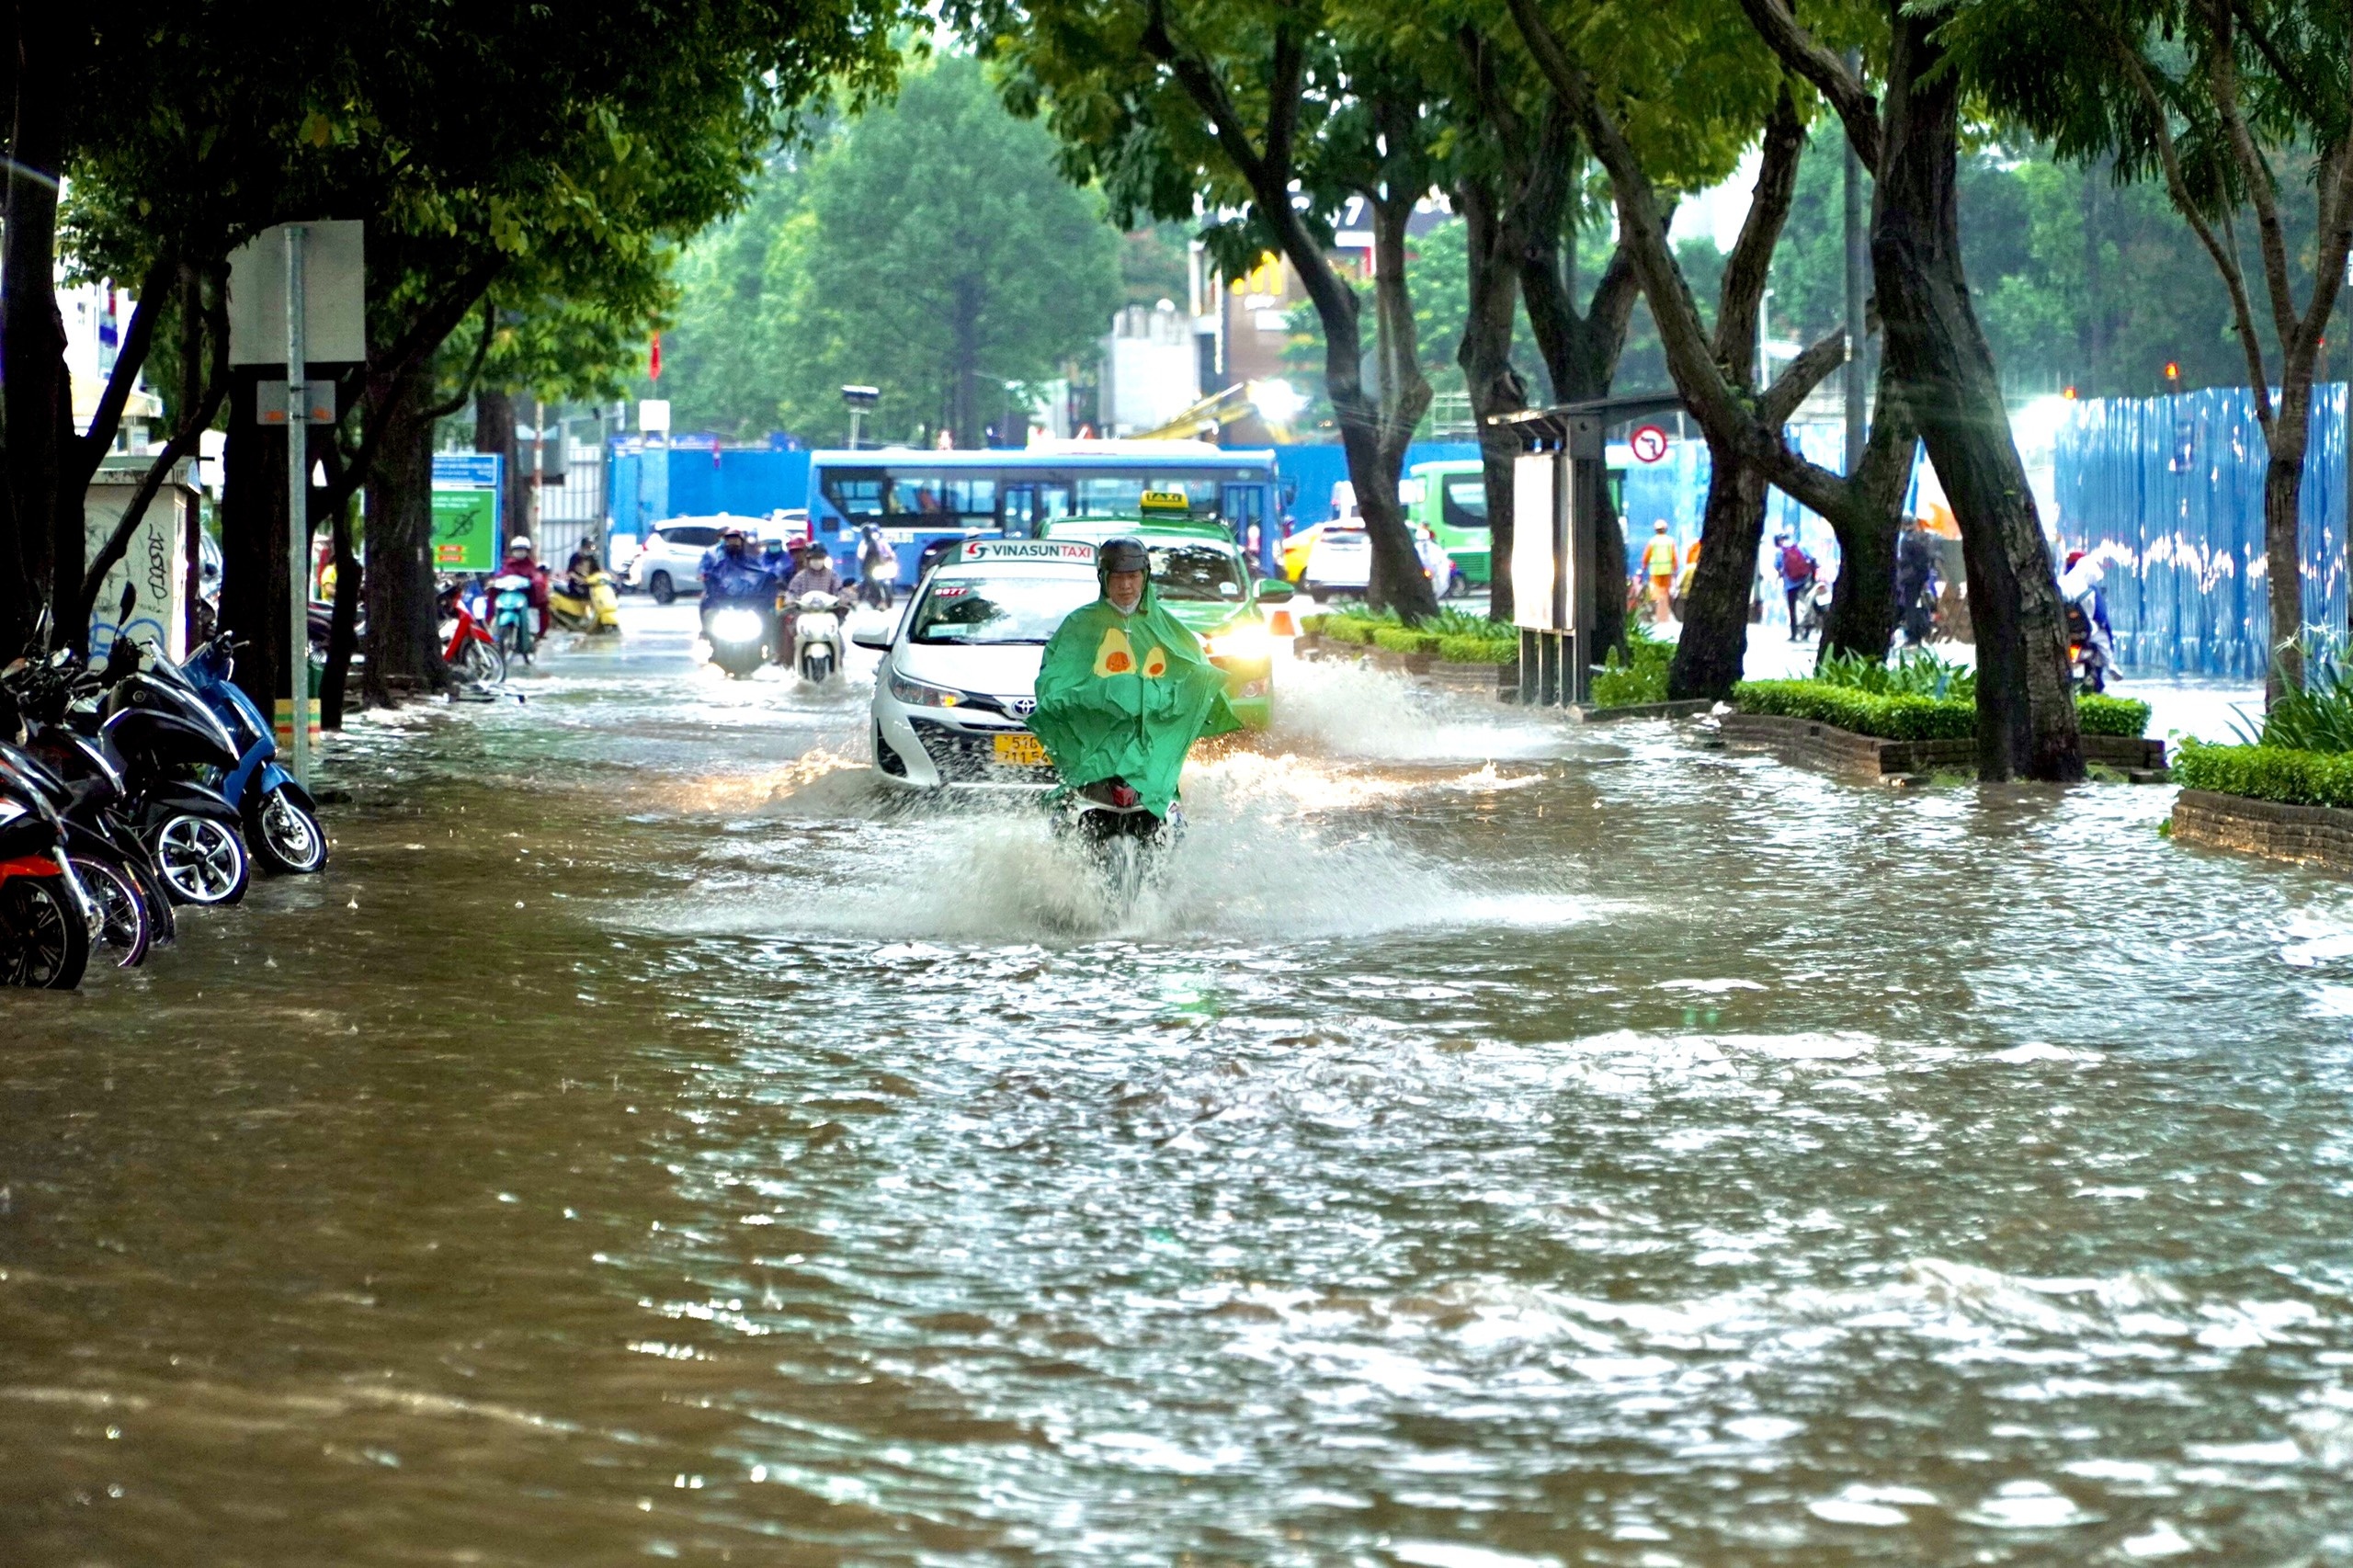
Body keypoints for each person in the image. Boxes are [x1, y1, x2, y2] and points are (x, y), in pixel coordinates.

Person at [1029, 537, 1240, 831]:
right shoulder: (1079, 626)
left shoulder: (1169, 628)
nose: (1125, 586)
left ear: (1145, 577)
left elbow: (1195, 673)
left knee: (1175, 823)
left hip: (1148, 749)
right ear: (1103, 578)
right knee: (1064, 817)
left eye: (1132, 576)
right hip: (1095, 748)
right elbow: (1054, 679)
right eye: (1117, 577)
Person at [697, 526, 781, 642]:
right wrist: (706, 576)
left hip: (748, 601)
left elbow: (762, 571)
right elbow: (705, 570)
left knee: (769, 616)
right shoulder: (716, 558)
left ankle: (769, 644)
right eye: (730, 539)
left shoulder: (750, 559)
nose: (733, 542)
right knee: (708, 612)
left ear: (741, 542)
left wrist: (771, 576)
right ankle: (708, 636)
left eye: (736, 539)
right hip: (722, 599)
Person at [2059, 548, 2115, 691]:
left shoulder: (2060, 586)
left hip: (2065, 636)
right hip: (2086, 637)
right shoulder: (2090, 589)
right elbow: (2102, 617)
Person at [1896, 515, 1940, 645]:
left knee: (1911, 607)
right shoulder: (1922, 537)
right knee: (1919, 606)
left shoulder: (1906, 540)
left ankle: (1913, 635)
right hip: (1922, 577)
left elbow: (1905, 560)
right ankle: (1922, 630)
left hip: (1910, 578)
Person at [1775, 531, 1817, 642]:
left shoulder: (1780, 552)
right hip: (1805, 581)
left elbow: (1777, 566)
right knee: (1808, 605)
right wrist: (1812, 577)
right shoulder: (1800, 547)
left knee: (1792, 609)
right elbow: (1813, 560)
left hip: (1790, 585)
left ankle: (1794, 634)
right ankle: (1807, 629)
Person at [1641, 522, 1677, 626]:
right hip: (1667, 570)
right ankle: (1664, 616)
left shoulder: (1652, 541)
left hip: (1656, 570)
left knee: (1656, 592)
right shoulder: (1670, 541)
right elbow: (1674, 556)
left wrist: (1644, 565)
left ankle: (1657, 614)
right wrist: (1675, 568)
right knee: (1665, 592)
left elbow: (1646, 555)